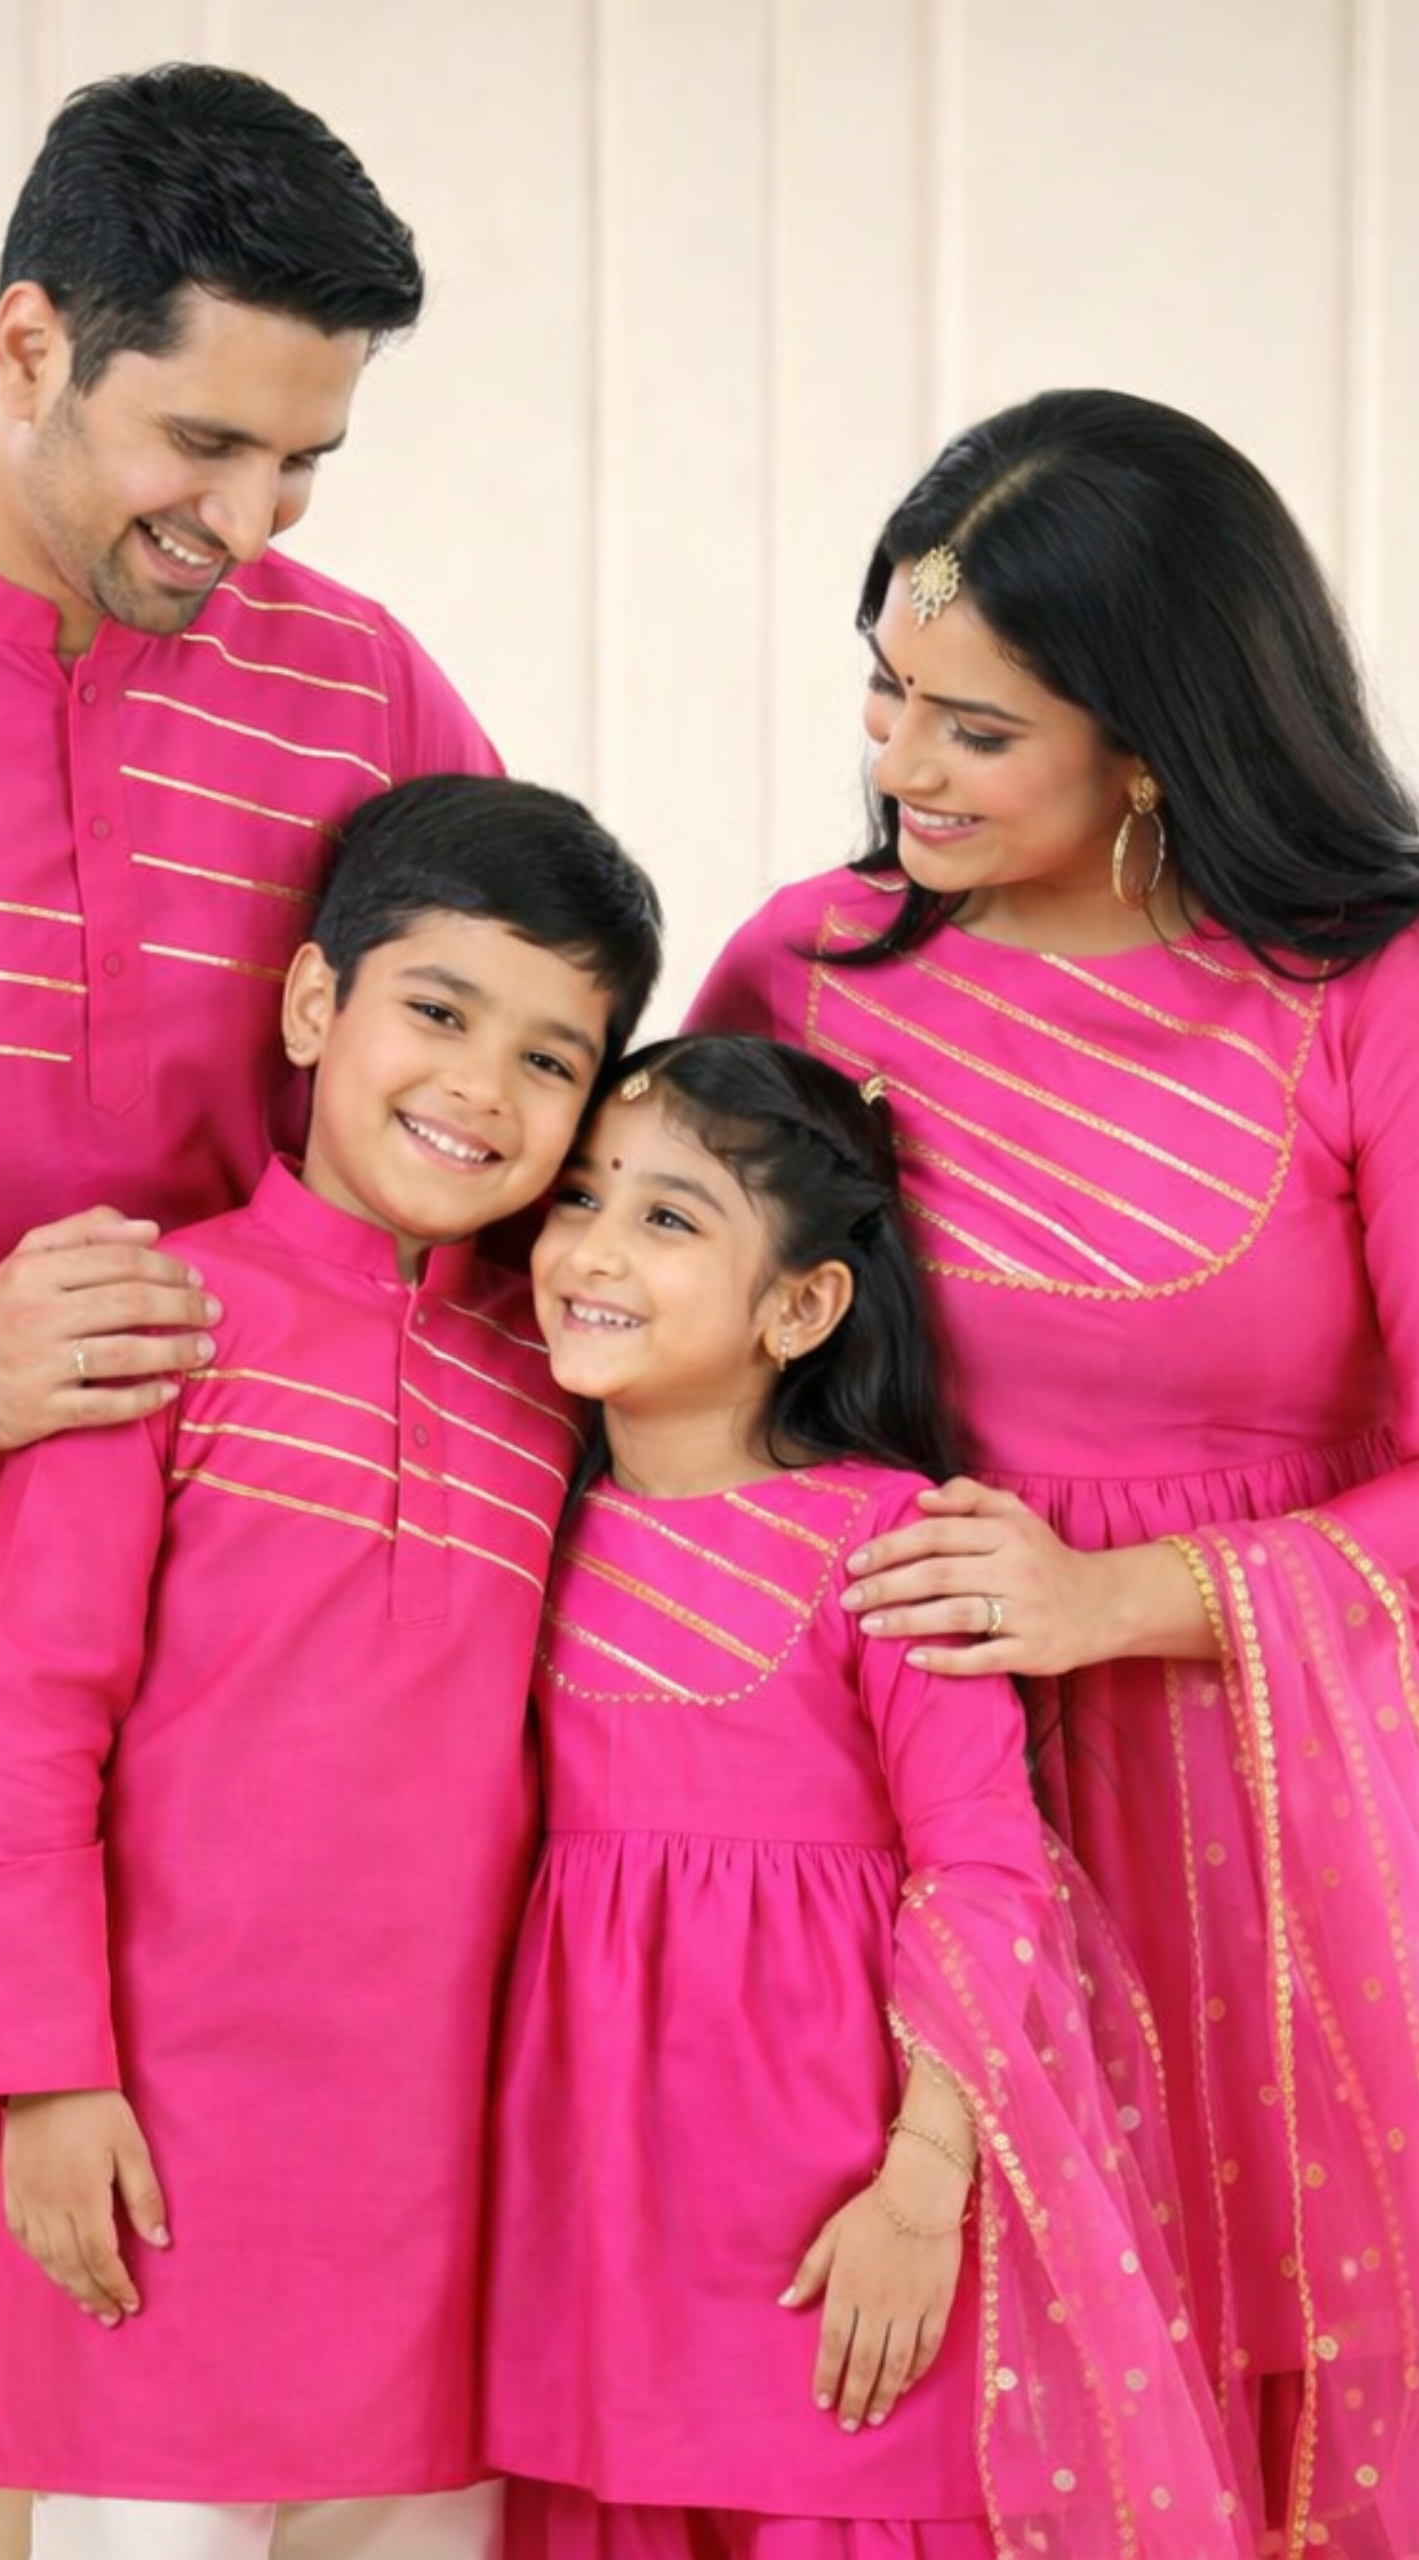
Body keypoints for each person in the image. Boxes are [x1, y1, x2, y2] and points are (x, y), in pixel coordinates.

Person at [0, 62, 499, 2560]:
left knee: (201, 2434)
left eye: (306, 463)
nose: (249, 525)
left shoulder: (354, 691)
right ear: (31, 341)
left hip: (243, 1777)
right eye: (205, 443)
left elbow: (509, 1104)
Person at [687, 387, 1419, 2555]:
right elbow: (652, 1341)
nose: (901, 763)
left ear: (1157, 736)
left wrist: (1123, 1601)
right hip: (901, 1808)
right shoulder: (806, 971)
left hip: (1271, 1827)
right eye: (888, 695)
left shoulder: (1362, 993)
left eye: (977, 728)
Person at [0, 774, 663, 2560]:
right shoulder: (155, 1320)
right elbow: (32, 1734)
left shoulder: (564, 1381)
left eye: (550, 1059)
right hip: (157, 2150)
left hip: (447, 2169)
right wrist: (46, 2076)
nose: (479, 1088)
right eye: (439, 1012)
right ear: (312, 1005)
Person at [483, 1032, 1251, 2560]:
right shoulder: (519, 1519)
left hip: (839, 2211)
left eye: (667, 1216)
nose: (592, 1249)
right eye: (578, 1197)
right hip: (593, 2223)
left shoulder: (888, 1545)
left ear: (801, 1307)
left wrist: (920, 2187)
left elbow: (983, 1871)